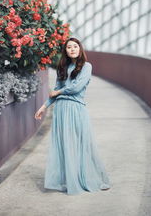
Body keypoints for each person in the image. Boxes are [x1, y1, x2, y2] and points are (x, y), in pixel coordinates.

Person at [34, 37, 110, 195]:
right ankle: (69, 179)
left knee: (80, 144)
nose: (72, 49)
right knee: (64, 145)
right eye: (69, 47)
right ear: (66, 51)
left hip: (76, 109)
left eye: (75, 46)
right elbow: (55, 90)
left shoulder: (86, 67)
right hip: (61, 110)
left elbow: (76, 87)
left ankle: (84, 178)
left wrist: (59, 92)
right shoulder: (63, 67)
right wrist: (43, 106)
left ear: (80, 49)